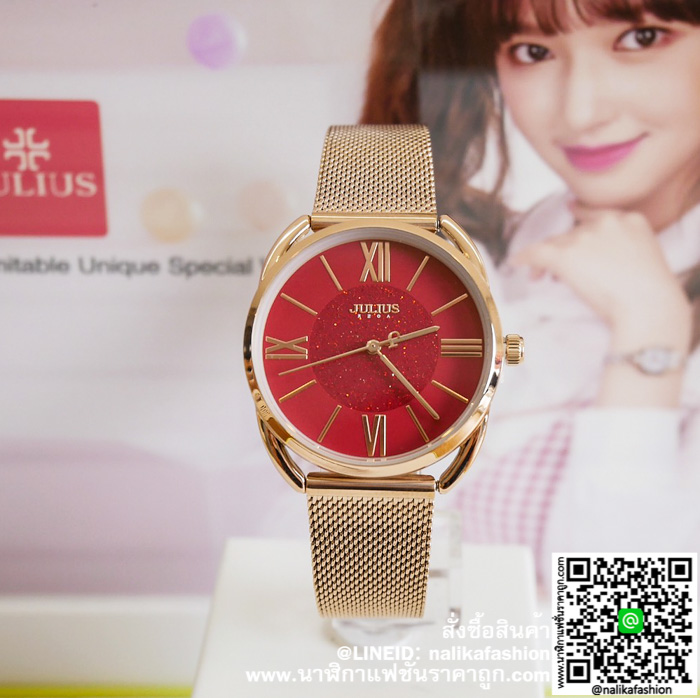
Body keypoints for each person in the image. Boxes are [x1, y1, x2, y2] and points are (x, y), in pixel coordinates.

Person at [362, 0, 700, 595]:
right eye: (532, 51)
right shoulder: (491, 264)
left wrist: (649, 340)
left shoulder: (651, 317)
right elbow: (365, 582)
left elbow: (625, 642)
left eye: (642, 38)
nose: (580, 112)